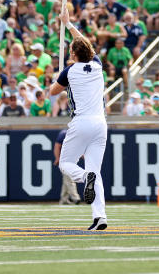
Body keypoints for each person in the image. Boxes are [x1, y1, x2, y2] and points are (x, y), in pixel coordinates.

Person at [51, 13, 108, 230]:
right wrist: (68, 24)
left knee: (66, 164)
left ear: (73, 53)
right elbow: (86, 45)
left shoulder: (69, 71)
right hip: (100, 123)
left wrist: (60, 76)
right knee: (96, 170)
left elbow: (52, 92)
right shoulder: (97, 64)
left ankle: (85, 177)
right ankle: (99, 216)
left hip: (81, 121)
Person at [53, 128, 81, 205]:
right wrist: (57, 158)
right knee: (69, 178)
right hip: (64, 159)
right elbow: (57, 146)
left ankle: (64, 199)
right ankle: (75, 197)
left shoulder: (78, 134)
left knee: (66, 179)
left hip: (71, 159)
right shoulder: (64, 133)